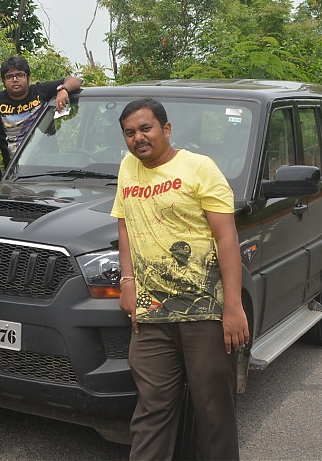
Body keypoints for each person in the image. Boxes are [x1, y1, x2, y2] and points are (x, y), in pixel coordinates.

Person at [110, 97, 249, 461]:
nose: (138, 138)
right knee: (151, 410)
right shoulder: (128, 168)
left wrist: (232, 307)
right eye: (129, 132)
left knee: (212, 410)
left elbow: (226, 238)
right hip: (151, 313)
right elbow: (124, 227)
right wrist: (128, 282)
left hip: (203, 311)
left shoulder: (200, 168)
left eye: (145, 128)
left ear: (166, 129)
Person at [0, 55, 82, 167]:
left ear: (28, 78)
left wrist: (63, 89)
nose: (15, 79)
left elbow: (76, 80)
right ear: (3, 81)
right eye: (9, 76)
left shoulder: (41, 91)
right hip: (16, 175)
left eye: (19, 75)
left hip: (49, 170)